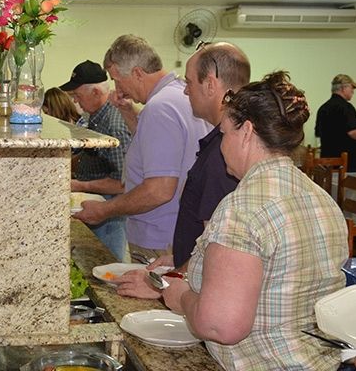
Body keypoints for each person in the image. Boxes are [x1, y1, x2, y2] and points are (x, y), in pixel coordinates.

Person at [161, 71, 348, 370]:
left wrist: (182, 297)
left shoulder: (242, 208)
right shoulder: (320, 197)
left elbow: (221, 326)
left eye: (224, 134)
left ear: (246, 132)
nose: (222, 146)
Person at [114, 42, 249, 299]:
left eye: (188, 83)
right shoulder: (217, 143)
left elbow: (218, 249)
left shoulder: (224, 155)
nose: (185, 91)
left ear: (210, 84)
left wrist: (162, 285)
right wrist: (178, 259)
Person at [74, 34, 211, 260]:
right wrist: (128, 112)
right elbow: (159, 147)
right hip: (178, 230)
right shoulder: (177, 96)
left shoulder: (160, 108)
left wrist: (104, 210)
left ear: (138, 73)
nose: (117, 89)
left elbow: (159, 190)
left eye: (117, 80)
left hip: (159, 237)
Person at [60, 60, 132, 261]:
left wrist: (80, 184)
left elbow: (122, 183)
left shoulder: (114, 124)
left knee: (108, 264)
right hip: (94, 204)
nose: (75, 102)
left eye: (77, 96)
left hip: (110, 213)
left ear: (96, 93)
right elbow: (89, 155)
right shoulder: (95, 117)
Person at [315, 74, 356, 171]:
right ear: (343, 88)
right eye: (352, 88)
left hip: (327, 164)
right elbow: (353, 132)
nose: (353, 91)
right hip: (348, 165)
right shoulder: (347, 108)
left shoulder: (323, 108)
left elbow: (318, 133)